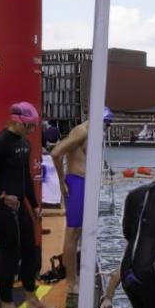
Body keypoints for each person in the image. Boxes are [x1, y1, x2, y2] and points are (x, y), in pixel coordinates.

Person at [0, 101, 56, 308]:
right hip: (2, 207)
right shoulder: (0, 142)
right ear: (16, 121)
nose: (31, 131)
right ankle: (7, 305)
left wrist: (36, 205)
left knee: (30, 251)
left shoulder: (24, 143)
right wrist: (1, 195)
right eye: (28, 126)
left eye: (33, 127)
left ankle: (31, 298)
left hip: (20, 205)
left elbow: (25, 178)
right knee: (10, 255)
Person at [50, 107, 112, 295]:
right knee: (73, 232)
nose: (107, 128)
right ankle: (71, 282)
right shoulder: (82, 132)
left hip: (87, 184)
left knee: (84, 231)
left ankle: (78, 277)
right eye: (106, 123)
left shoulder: (92, 132)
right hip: (76, 182)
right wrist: (61, 182)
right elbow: (56, 153)